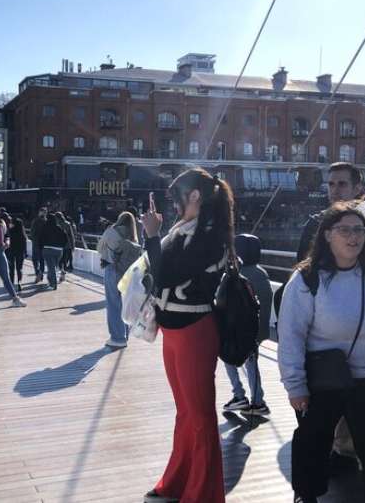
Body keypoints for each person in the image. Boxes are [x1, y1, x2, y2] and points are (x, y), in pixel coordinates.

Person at [278, 201, 365, 503]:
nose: (354, 237)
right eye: (344, 230)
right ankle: (306, 495)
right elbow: (291, 335)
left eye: (359, 230)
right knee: (313, 443)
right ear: (327, 235)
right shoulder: (307, 279)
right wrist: (295, 385)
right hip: (324, 379)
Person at [296, 162, 365, 467]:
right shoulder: (313, 227)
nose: (334, 190)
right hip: (322, 356)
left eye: (341, 184)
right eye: (330, 184)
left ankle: (349, 456)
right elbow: (300, 279)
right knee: (319, 426)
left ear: (358, 188)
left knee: (364, 436)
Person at [141, 168, 231, 503]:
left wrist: (152, 236)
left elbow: (166, 275)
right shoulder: (185, 231)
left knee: (201, 416)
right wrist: (154, 237)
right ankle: (177, 482)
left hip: (194, 333)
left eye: (178, 197)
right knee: (185, 412)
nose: (174, 205)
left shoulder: (209, 236)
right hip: (175, 332)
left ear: (194, 196)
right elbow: (159, 269)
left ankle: (203, 494)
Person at [222, 233, 272, 417]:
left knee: (227, 356)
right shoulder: (262, 273)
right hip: (259, 330)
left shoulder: (237, 276)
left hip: (243, 331)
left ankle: (243, 396)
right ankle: (255, 400)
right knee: (252, 363)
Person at [96, 211, 141, 349]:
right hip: (129, 273)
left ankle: (117, 338)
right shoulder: (133, 235)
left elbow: (99, 249)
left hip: (113, 270)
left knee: (113, 304)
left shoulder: (111, 231)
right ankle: (124, 335)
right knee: (125, 304)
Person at [0, 203, 26, 309]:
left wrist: (7, 242)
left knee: (5, 276)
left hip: (0, 251)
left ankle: (15, 299)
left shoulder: (1, 222)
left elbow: (7, 235)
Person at [38, 212, 67, 290]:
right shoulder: (59, 228)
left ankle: (53, 285)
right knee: (53, 267)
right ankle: (50, 281)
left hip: (47, 249)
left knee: (51, 268)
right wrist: (61, 247)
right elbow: (65, 239)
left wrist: (41, 248)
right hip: (59, 251)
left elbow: (40, 239)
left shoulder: (44, 227)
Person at [6, 217, 28, 292]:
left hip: (11, 252)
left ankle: (11, 283)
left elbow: (7, 241)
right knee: (19, 268)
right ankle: (19, 283)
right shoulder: (23, 234)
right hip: (20, 252)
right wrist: (25, 252)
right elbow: (25, 244)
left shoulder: (10, 231)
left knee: (11, 269)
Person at [31, 207, 48, 283]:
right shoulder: (47, 221)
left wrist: (33, 239)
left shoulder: (35, 221)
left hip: (36, 243)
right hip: (44, 244)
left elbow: (32, 232)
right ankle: (41, 273)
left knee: (35, 259)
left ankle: (38, 272)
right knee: (42, 260)